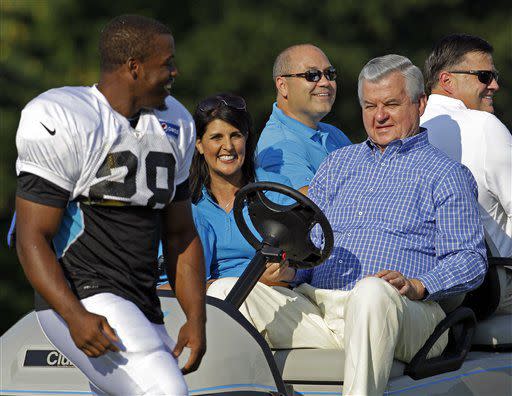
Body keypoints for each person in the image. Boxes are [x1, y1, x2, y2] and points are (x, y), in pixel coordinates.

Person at [208, 55, 487, 395]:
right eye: (369, 106)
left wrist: (418, 285)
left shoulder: (446, 175)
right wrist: (290, 272)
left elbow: (470, 260)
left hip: (406, 312)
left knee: (371, 292)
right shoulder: (338, 164)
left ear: (420, 103)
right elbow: (310, 248)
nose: (379, 116)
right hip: (322, 307)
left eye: (391, 104)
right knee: (224, 291)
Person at [14, 15, 205, 395]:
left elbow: (181, 233)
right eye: (166, 63)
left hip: (142, 299)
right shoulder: (67, 117)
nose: (174, 71)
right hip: (82, 293)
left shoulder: (176, 123)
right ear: (134, 67)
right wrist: (74, 315)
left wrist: (196, 317)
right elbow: (31, 235)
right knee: (165, 390)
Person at [189, 93, 295, 287]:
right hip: (212, 299)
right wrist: (249, 282)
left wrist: (285, 272)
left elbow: (296, 263)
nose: (228, 146)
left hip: (273, 297)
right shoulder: (188, 201)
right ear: (199, 145)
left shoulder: (275, 189)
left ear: (246, 138)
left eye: (235, 135)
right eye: (216, 137)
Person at [421, 34, 511, 259]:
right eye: (484, 76)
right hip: (492, 281)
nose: (495, 85)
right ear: (447, 81)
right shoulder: (484, 126)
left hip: (423, 281)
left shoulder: (408, 130)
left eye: (494, 76)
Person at [256, 44, 351, 195]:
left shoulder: (334, 133)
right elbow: (310, 209)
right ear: (283, 86)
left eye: (330, 73)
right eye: (312, 75)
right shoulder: (280, 147)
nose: (325, 82)